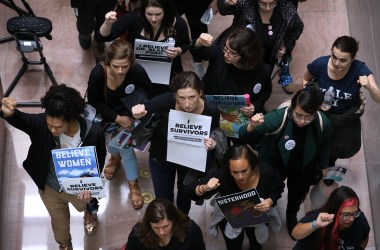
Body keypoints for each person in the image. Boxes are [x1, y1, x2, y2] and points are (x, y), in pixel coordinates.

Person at [0, 84, 106, 250]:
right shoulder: (42, 125)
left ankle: (90, 212)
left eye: (58, 127)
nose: (53, 130)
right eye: (50, 125)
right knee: (59, 223)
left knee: (88, 203)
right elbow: (23, 120)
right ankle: (64, 245)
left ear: (71, 118)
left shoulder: (94, 132)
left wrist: (90, 184)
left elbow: (99, 157)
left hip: (79, 189)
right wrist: (10, 114)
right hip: (50, 187)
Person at [239, 85, 333, 239]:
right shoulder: (278, 117)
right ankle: (269, 209)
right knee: (270, 191)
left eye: (308, 116)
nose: (302, 121)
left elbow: (325, 146)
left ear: (316, 112)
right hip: (276, 163)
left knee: (297, 193)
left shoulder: (323, 123)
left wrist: (323, 167)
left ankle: (291, 215)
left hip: (303, 167)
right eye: (298, 115)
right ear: (292, 108)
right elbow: (242, 135)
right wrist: (252, 125)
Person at [131, 71, 220, 214]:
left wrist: (212, 142)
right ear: (175, 95)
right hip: (161, 158)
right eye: (181, 98)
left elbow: (215, 132)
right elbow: (145, 108)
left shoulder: (211, 110)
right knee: (163, 201)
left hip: (190, 162)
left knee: (185, 197)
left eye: (192, 97)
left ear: (200, 93)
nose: (187, 104)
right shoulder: (167, 101)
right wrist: (137, 111)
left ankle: (182, 221)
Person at [87, 39, 152, 210]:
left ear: (131, 62)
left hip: (130, 117)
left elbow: (148, 91)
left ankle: (133, 183)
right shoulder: (98, 74)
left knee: (127, 151)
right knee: (111, 144)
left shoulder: (137, 71)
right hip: (107, 118)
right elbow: (93, 100)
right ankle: (114, 158)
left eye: (125, 66)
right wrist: (116, 118)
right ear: (108, 61)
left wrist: (137, 112)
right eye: (116, 66)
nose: (120, 71)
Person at [185, 145, 284, 250]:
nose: (240, 177)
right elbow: (188, 191)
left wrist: (269, 201)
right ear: (229, 168)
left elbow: (279, 188)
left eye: (244, 171)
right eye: (235, 172)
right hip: (230, 218)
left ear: (252, 165)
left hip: (257, 216)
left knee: (255, 241)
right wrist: (205, 188)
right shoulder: (223, 175)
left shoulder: (267, 172)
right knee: (233, 244)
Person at [303, 36, 380, 169]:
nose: (336, 63)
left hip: (343, 118)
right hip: (321, 113)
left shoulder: (359, 69)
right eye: (334, 56)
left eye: (343, 60)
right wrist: (313, 100)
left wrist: (370, 86)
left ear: (353, 58)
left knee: (336, 147)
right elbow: (305, 80)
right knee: (314, 140)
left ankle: (328, 164)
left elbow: (378, 98)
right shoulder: (320, 64)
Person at [98, 0, 190, 96]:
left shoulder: (178, 23)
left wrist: (179, 50)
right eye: (149, 14)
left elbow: (186, 44)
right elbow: (104, 37)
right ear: (143, 11)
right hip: (138, 72)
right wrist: (108, 23)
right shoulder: (134, 18)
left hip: (167, 74)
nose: (153, 19)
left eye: (158, 14)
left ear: (166, 11)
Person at [217, 0, 303, 92]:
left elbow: (298, 27)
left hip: (268, 55)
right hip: (241, 53)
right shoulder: (245, 3)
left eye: (272, 3)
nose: (267, 8)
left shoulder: (288, 9)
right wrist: (227, 2)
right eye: (262, 4)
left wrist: (286, 44)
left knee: (260, 82)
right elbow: (223, 10)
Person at [190, 27, 272, 115]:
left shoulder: (263, 70)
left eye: (232, 53)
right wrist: (199, 42)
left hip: (239, 114)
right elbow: (196, 51)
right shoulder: (219, 53)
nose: (226, 54)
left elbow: (266, 91)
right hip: (211, 105)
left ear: (246, 55)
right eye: (226, 48)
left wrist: (255, 105)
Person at [292, 186, 370, 250]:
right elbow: (295, 234)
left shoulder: (359, 218)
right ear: (335, 211)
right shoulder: (318, 217)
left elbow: (365, 236)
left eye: (354, 213)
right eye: (346, 214)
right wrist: (315, 224)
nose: (352, 219)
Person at [124, 199, 206, 250]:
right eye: (156, 227)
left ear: (174, 220)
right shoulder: (138, 234)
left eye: (166, 226)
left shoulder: (191, 231)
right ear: (148, 224)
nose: (161, 232)